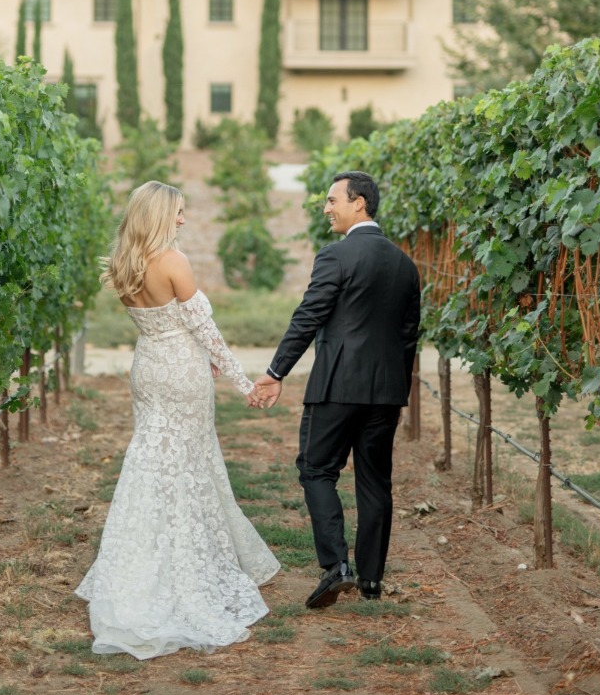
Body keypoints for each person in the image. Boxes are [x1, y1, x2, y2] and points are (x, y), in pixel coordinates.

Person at [75, 181, 279, 659]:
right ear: (160, 215)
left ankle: (134, 564)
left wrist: (199, 354)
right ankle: (182, 568)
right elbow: (206, 332)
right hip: (181, 377)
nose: (184, 220)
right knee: (187, 468)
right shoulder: (173, 261)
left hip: (147, 370)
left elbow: (163, 325)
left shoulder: (127, 263)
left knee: (150, 462)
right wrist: (245, 384)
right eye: (179, 212)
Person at [251, 170, 420, 609]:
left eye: (332, 201)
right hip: (386, 392)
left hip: (336, 386)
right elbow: (408, 336)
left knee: (316, 469)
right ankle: (371, 581)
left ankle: (335, 567)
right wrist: (395, 389)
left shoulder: (336, 257)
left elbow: (308, 316)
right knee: (375, 481)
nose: (326, 209)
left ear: (358, 202)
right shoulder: (405, 264)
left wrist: (275, 371)